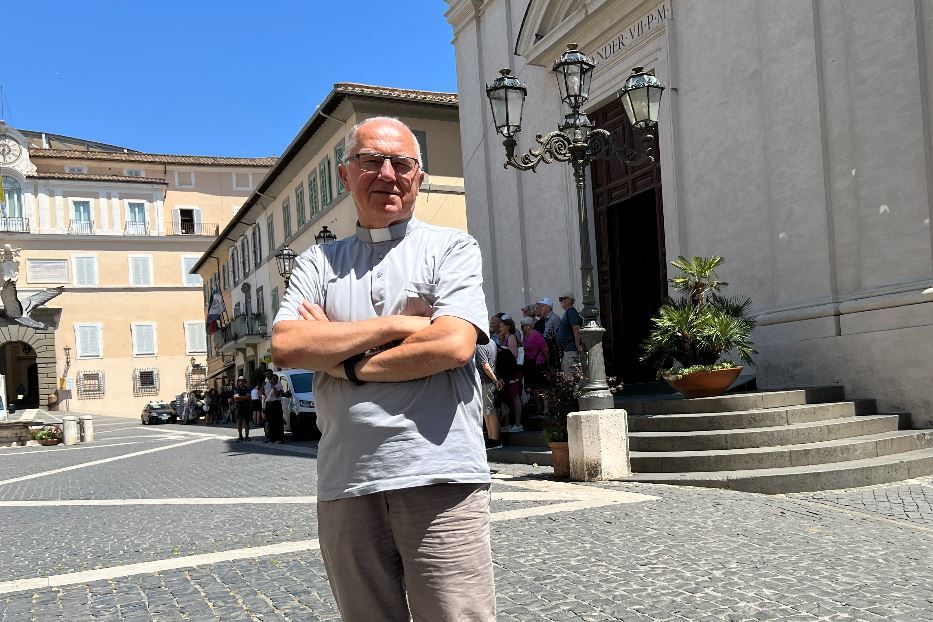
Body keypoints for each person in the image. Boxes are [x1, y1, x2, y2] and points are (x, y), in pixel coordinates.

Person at [271, 116, 494, 621]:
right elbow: (288, 345)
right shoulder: (317, 262)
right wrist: (399, 324)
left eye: (402, 163)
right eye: (371, 160)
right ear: (346, 175)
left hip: (440, 475)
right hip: (347, 479)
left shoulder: (451, 247)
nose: (387, 173)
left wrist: (345, 364)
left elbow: (455, 344)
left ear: (419, 177)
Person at [497, 315, 523, 433]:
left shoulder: (511, 337)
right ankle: (508, 423)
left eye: (502, 326)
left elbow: (513, 356)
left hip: (512, 373)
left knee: (515, 397)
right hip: (506, 373)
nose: (500, 328)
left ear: (508, 326)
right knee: (508, 398)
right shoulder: (503, 338)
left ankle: (518, 424)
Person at [475, 340, 503, 449]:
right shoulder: (493, 342)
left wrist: (495, 381)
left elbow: (486, 366)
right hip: (490, 382)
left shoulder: (481, 345)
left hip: (487, 382)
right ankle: (491, 438)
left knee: (490, 412)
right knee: (487, 412)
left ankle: (495, 439)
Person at [520, 316, 549, 414]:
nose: (522, 328)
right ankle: (539, 407)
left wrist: (547, 363)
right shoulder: (526, 336)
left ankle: (546, 408)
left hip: (538, 364)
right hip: (530, 365)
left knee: (542, 387)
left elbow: (545, 349)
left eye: (523, 326)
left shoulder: (536, 335)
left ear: (528, 326)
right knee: (534, 388)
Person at [557, 291, 584, 375]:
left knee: (571, 375)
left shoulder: (571, 311)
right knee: (567, 374)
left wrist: (577, 345)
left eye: (563, 299)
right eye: (560, 299)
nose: (561, 301)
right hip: (567, 349)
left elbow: (576, 328)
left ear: (570, 300)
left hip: (571, 349)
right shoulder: (568, 312)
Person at [263, 370, 285, 444]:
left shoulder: (278, 383)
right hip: (269, 404)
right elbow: (261, 392)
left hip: (276, 404)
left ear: (272, 374)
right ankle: (271, 438)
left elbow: (277, 395)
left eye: (268, 374)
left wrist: (273, 386)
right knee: (269, 421)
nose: (267, 375)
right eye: (266, 374)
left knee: (277, 421)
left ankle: (279, 439)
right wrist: (263, 385)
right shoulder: (266, 383)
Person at [232, 377, 252, 441]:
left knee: (247, 422)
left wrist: (240, 397)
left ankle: (247, 436)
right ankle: (240, 436)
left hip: (246, 407)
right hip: (239, 407)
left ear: (245, 382)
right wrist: (245, 397)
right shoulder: (236, 389)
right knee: (239, 422)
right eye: (239, 381)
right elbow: (235, 398)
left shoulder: (248, 389)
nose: (241, 382)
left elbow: (248, 397)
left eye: (242, 381)